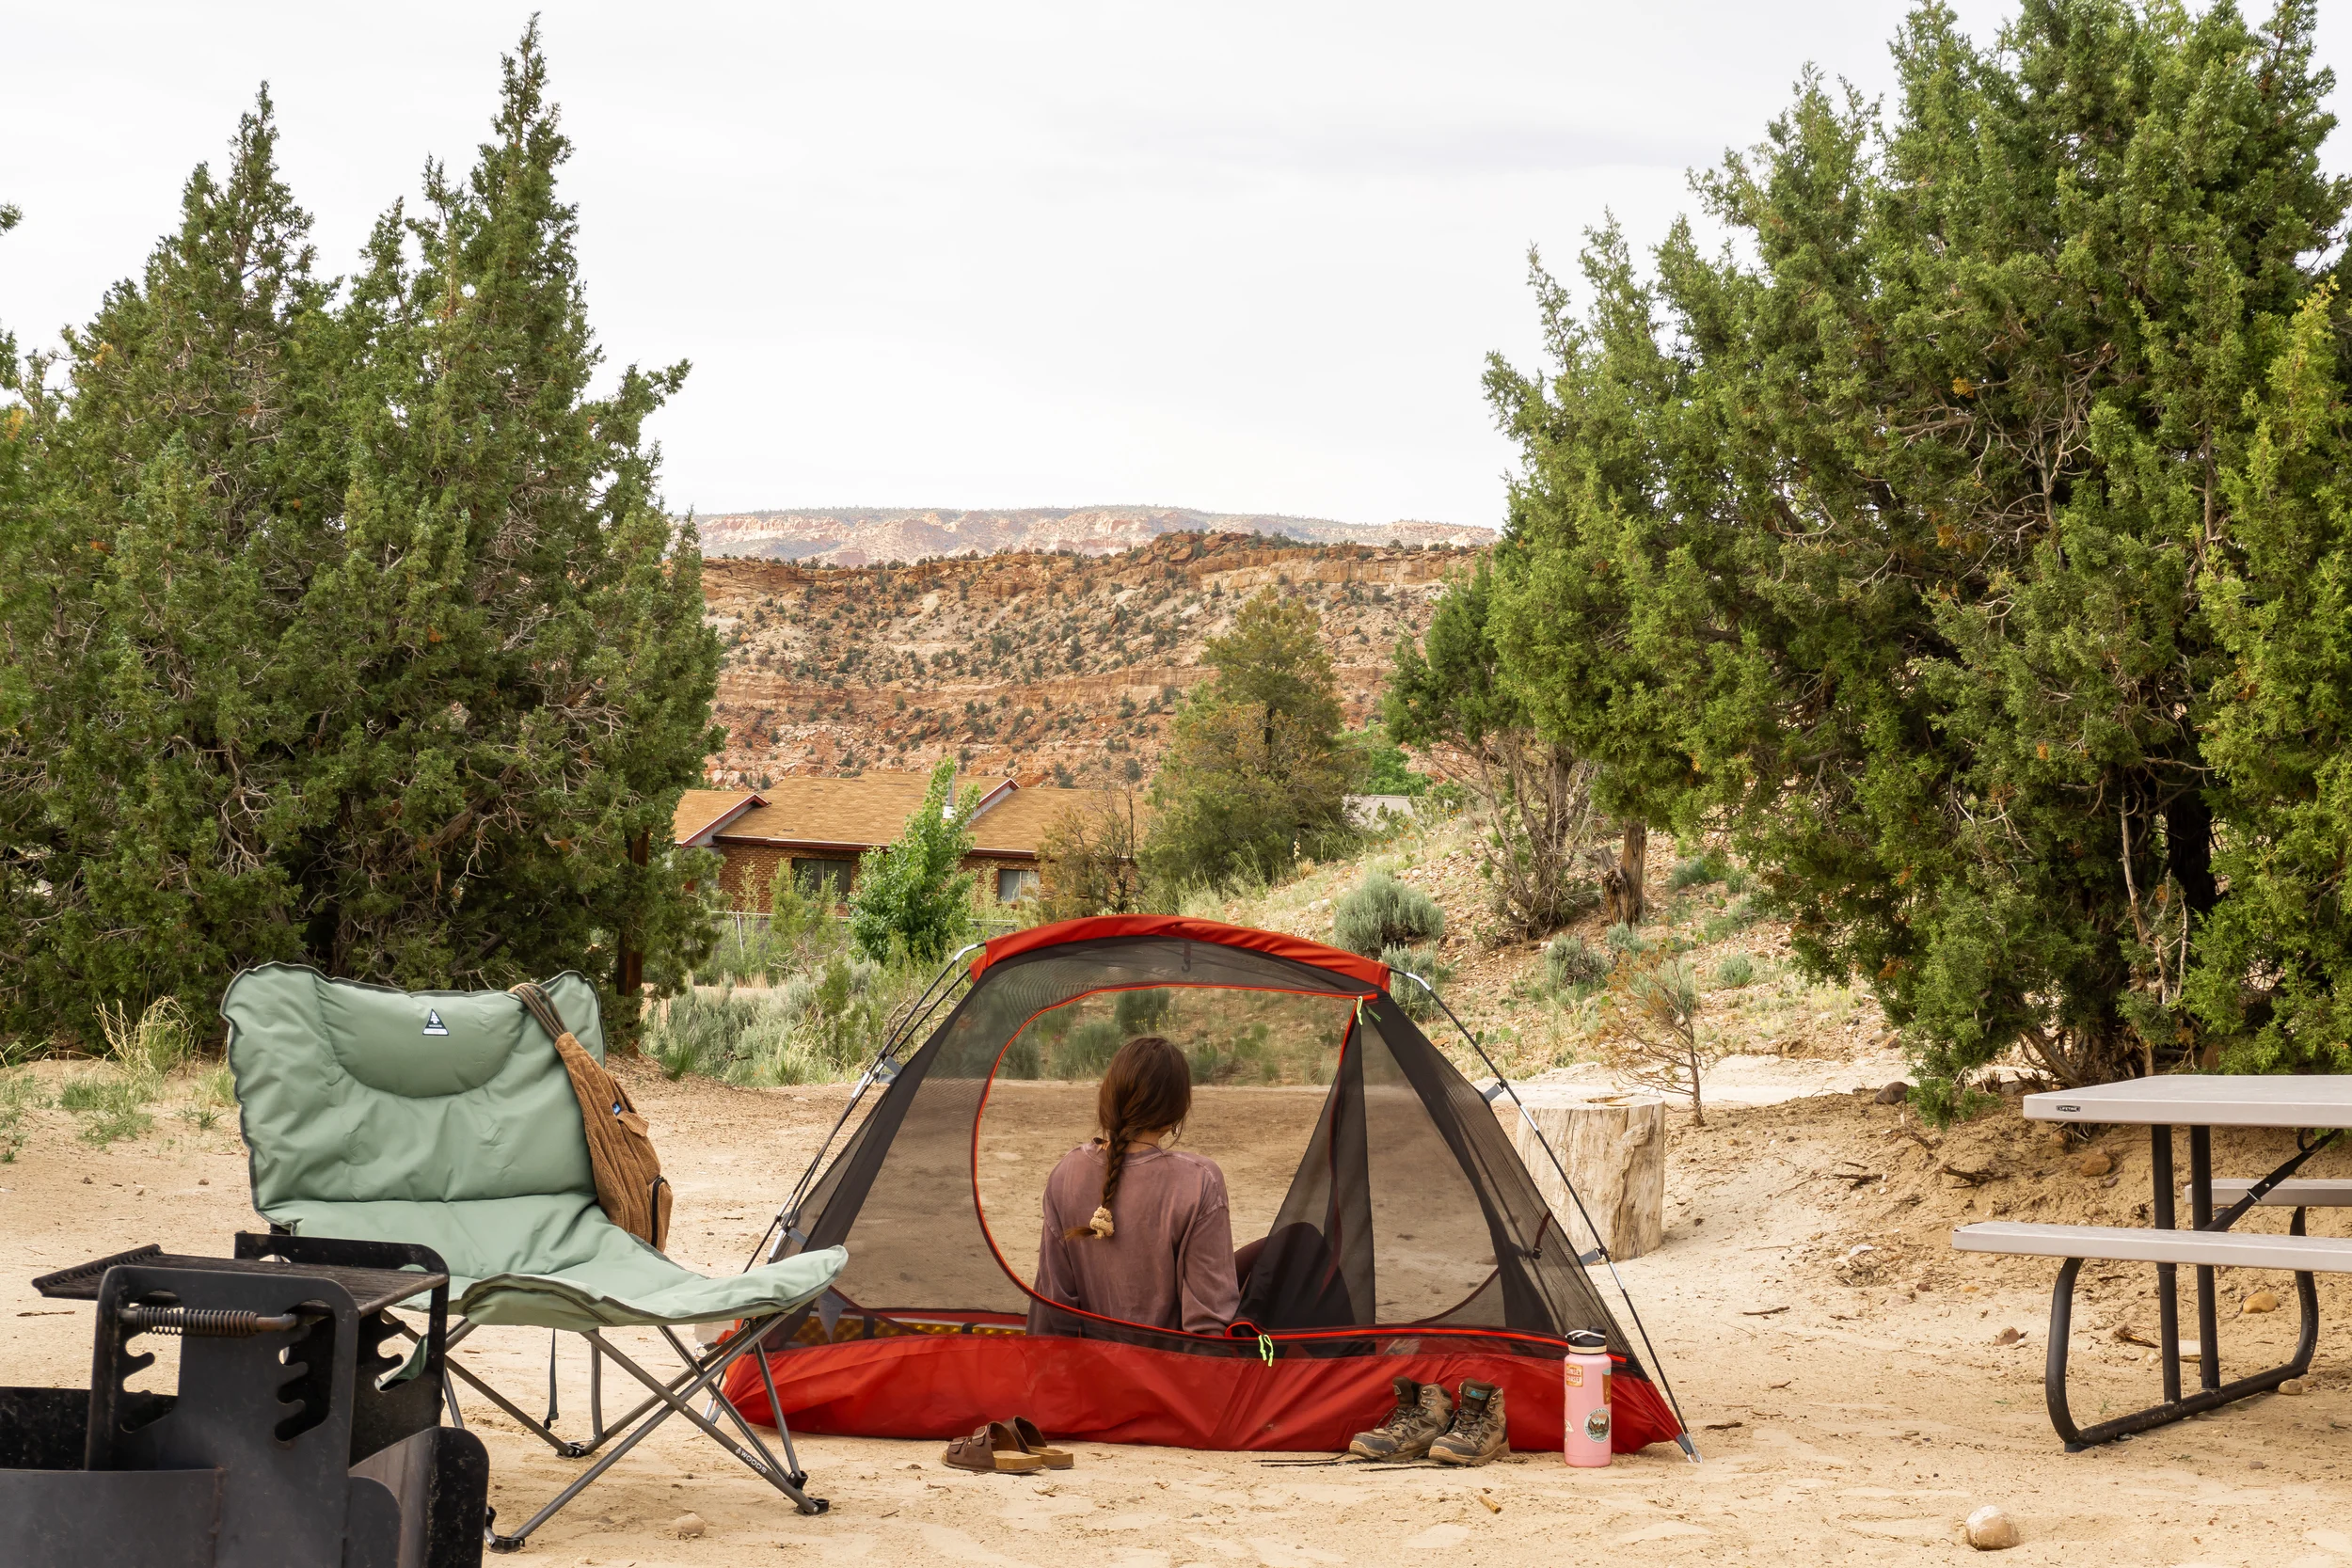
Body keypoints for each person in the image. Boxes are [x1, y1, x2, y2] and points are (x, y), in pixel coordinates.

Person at [1029, 1035, 1239, 1336]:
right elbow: (1207, 1324)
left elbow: (1055, 1307)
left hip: (1092, 1371)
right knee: (1287, 1245)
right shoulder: (1198, 1181)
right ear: (1175, 1112)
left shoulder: (1065, 1173)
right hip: (1167, 1376)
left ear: (1108, 1096)